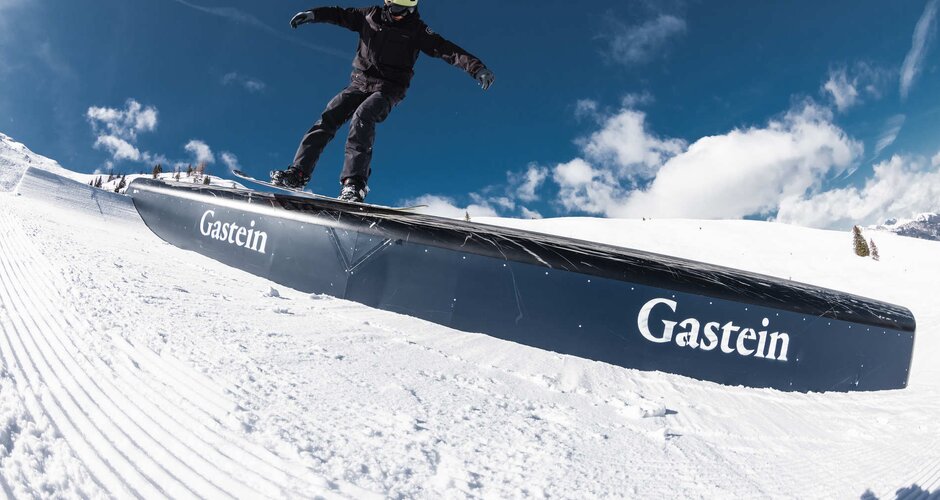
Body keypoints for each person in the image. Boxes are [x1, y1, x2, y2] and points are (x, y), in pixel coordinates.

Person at [271, 0, 495, 203]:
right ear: (387, 4)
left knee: (363, 116)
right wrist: (313, 14)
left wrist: (477, 68)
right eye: (396, 9)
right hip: (359, 83)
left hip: (389, 89)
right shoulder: (369, 15)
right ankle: (298, 174)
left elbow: (447, 49)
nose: (400, 15)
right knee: (329, 116)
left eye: (406, 10)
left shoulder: (417, 30)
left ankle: (354, 184)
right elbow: (339, 14)